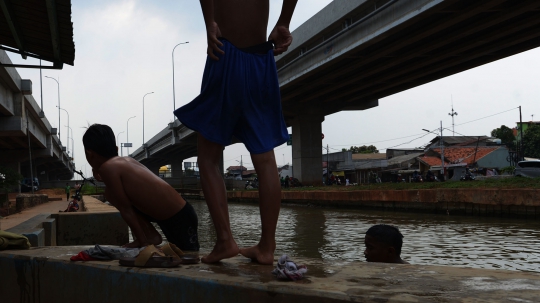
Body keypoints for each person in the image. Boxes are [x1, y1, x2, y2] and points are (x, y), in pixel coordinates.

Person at [173, 0, 298, 264]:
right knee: (265, 159)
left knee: (207, 157)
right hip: (261, 60)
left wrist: (209, 24)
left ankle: (225, 241)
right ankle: (267, 247)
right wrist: (284, 21)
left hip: (225, 54)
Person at [83, 124, 199, 251]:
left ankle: (146, 240)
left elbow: (125, 209)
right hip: (174, 214)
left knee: (189, 257)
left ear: (90, 154)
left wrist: (144, 245)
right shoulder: (125, 160)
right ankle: (150, 237)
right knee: (110, 194)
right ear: (115, 148)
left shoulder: (108, 168)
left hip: (179, 217)